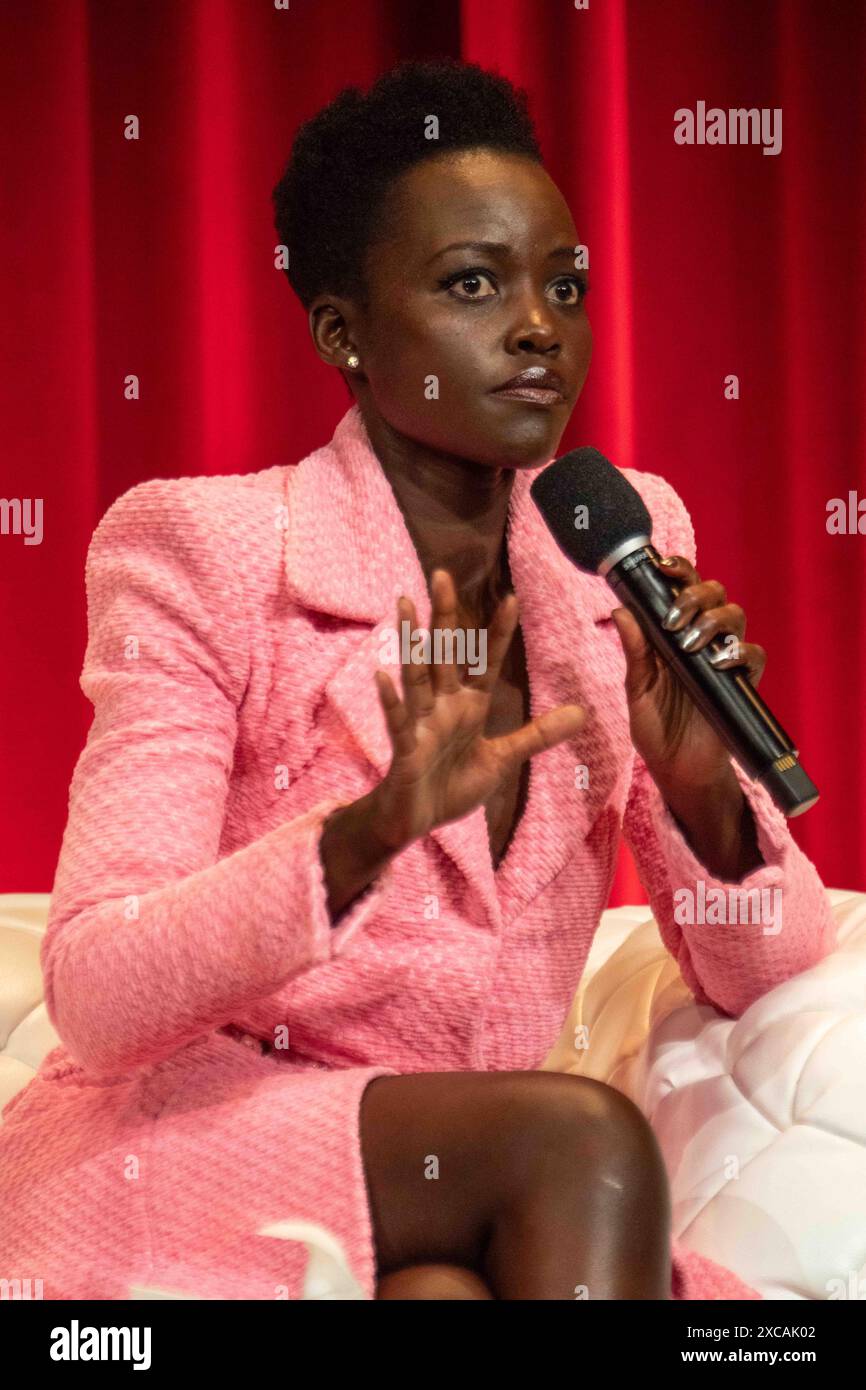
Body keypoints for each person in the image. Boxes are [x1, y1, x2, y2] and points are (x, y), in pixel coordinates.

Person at [0, 59, 835, 1301]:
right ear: (342, 329)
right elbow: (98, 993)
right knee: (577, 1136)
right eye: (470, 285)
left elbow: (765, 968)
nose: (538, 326)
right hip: (193, 1138)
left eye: (563, 284)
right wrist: (366, 832)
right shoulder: (202, 552)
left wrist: (702, 783)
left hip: (455, 1182)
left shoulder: (619, 544)